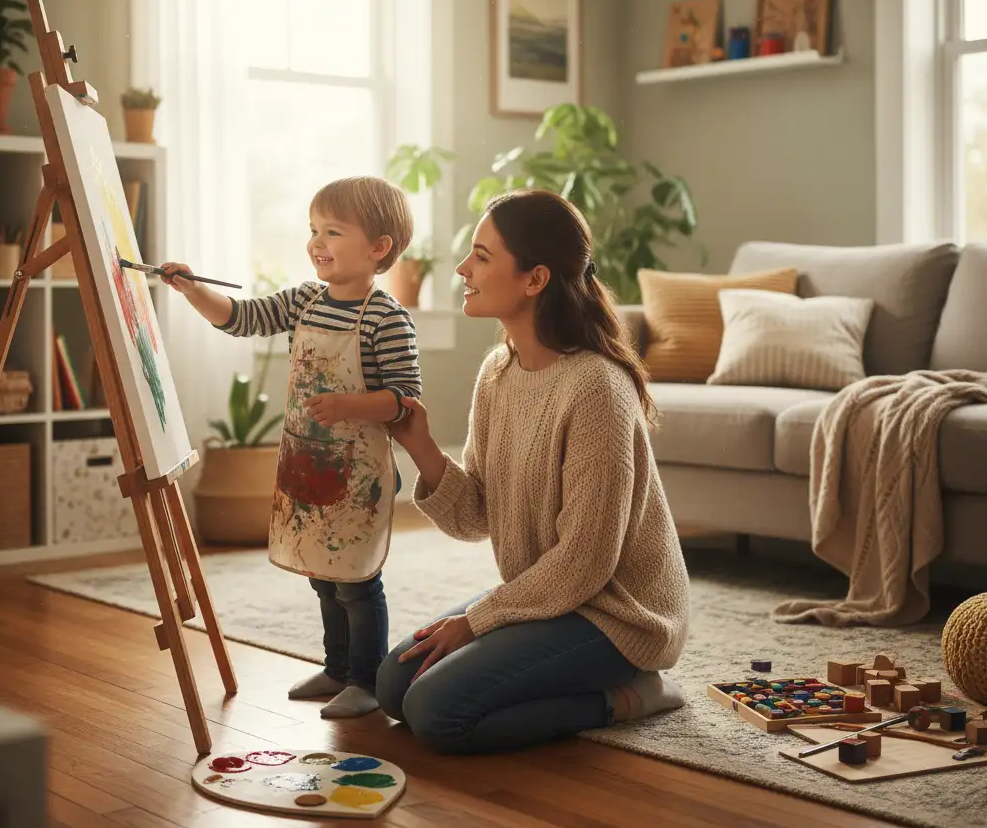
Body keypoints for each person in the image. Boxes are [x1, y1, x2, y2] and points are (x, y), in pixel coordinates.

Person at [376, 188, 690, 754]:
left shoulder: (596, 388)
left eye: (482, 256)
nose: (463, 268)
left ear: (535, 279)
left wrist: (477, 620)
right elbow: (476, 517)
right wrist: (420, 446)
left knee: (436, 711)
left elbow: (584, 562)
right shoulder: (498, 371)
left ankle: (632, 695)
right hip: (549, 596)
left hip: (618, 616)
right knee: (394, 685)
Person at [162, 175, 421, 719]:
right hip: (305, 460)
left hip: (359, 471)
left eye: (332, 231)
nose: (316, 242)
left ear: (379, 248)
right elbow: (241, 318)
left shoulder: (386, 318)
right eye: (313, 229)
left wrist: (350, 405)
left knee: (355, 579)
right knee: (320, 573)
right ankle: (336, 669)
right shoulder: (304, 300)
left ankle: (367, 680)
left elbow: (405, 401)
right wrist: (192, 289)